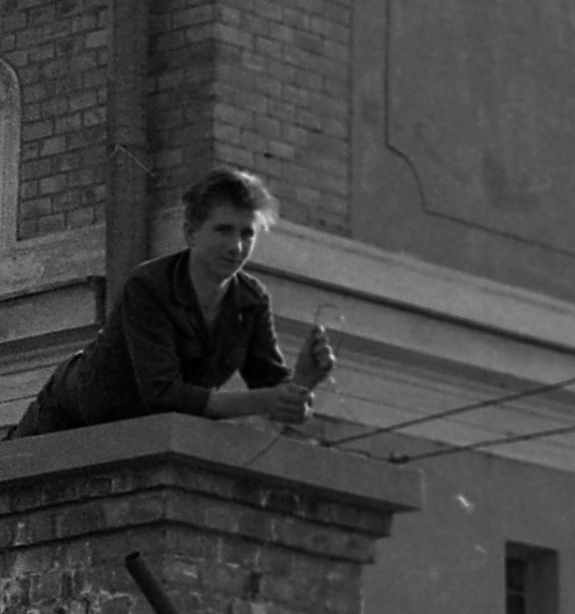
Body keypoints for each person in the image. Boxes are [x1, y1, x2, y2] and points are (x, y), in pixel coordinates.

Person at [11, 165, 334, 437]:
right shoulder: (150, 285)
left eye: (247, 233)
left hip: (142, 432)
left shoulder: (251, 300)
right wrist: (266, 400)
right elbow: (162, 394)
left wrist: (304, 381)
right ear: (191, 233)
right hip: (70, 411)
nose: (236, 247)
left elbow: (277, 397)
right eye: (223, 230)